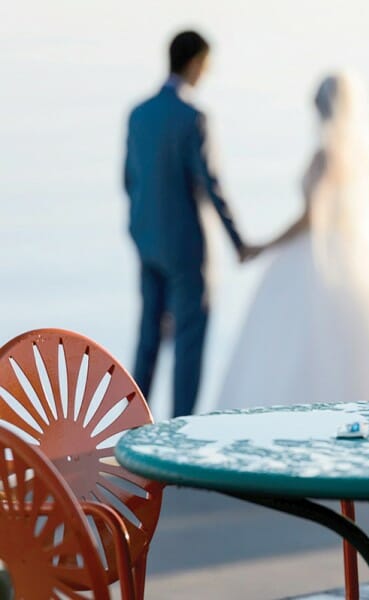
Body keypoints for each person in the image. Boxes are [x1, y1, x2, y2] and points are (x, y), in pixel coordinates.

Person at [217, 72, 369, 410]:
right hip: (354, 251)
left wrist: (264, 246)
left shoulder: (327, 155)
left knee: (302, 340)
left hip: (319, 253)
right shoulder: (359, 156)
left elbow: (312, 218)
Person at [124, 30, 261, 417]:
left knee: (148, 337)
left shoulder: (138, 113)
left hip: (147, 241)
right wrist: (238, 241)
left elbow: (129, 180)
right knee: (189, 340)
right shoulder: (193, 118)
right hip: (185, 246)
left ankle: (130, 427)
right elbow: (210, 183)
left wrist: (137, 233)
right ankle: (180, 432)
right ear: (197, 62)